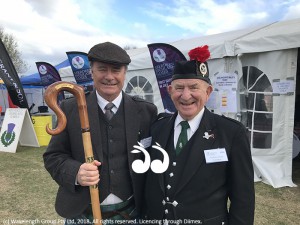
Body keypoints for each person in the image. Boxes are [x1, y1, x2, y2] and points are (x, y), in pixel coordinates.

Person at [43, 42, 158, 224]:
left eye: (116, 70)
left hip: (131, 212)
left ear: (125, 72)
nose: (109, 77)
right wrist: (76, 173)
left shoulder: (146, 111)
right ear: (92, 71)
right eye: (102, 69)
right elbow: (53, 156)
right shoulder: (69, 108)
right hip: (82, 211)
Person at [144, 45, 255, 225]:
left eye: (194, 87)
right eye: (179, 88)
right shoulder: (158, 127)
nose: (186, 96)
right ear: (170, 91)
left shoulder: (231, 133)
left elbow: (243, 197)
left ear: (208, 92)